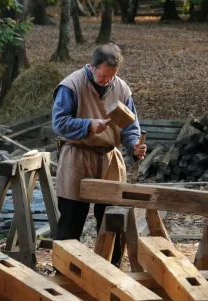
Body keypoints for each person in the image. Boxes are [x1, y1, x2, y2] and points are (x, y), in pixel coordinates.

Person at [51, 43, 147, 265]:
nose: (107, 81)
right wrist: (87, 126)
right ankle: (63, 273)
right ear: (92, 67)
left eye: (112, 77)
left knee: (113, 221)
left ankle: (111, 271)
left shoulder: (121, 88)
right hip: (77, 157)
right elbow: (59, 123)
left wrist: (133, 144)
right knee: (71, 222)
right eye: (103, 76)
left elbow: (130, 126)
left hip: (110, 160)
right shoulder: (72, 85)